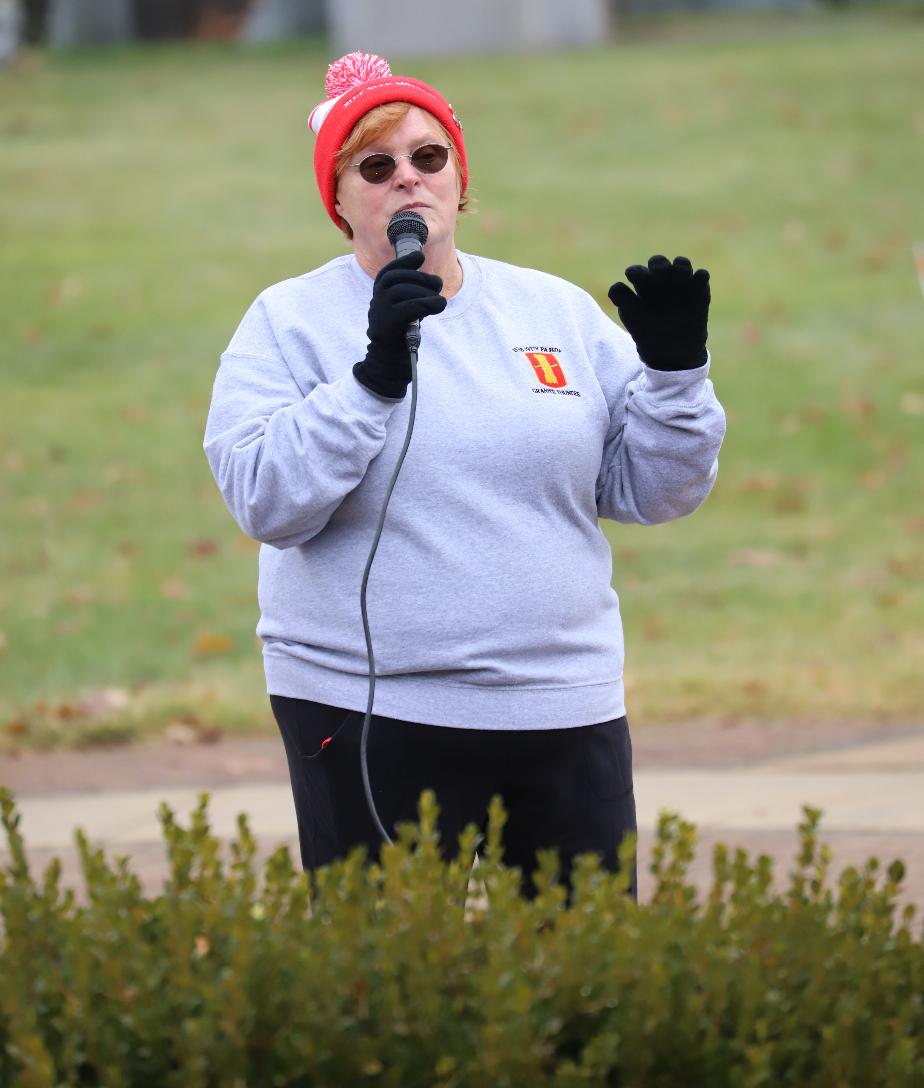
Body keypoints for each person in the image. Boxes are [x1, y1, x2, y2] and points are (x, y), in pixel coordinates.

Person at [204, 51, 726, 900]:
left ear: (458, 179)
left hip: (562, 705)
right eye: (376, 166)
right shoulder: (287, 322)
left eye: (428, 157)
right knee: (391, 993)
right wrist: (370, 378)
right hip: (368, 712)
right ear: (339, 200)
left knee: (581, 989)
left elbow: (653, 491)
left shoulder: (551, 311)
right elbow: (266, 501)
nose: (407, 180)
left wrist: (675, 376)